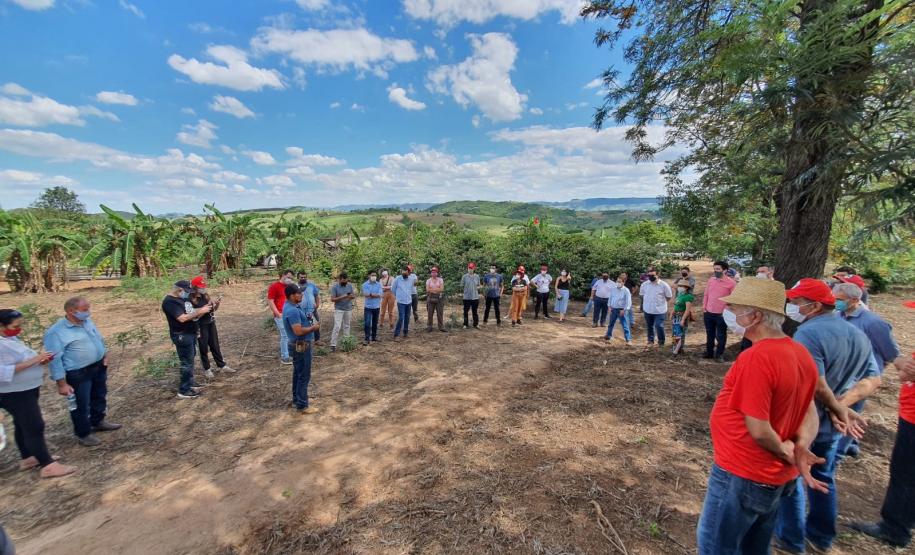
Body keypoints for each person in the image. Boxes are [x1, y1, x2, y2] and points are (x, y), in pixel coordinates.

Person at [697, 278, 823, 555]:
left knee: (716, 545)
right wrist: (802, 445)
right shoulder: (799, 352)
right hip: (774, 476)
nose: (729, 313)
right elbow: (810, 410)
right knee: (755, 545)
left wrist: (786, 450)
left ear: (753, 316)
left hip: (744, 472)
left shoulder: (757, 358)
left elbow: (760, 430)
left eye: (733, 308)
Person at [774, 278, 882, 554]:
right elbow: (873, 379)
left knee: (791, 478)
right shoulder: (856, 334)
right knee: (824, 476)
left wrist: (836, 407)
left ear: (815, 306)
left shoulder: (808, 334)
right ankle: (822, 536)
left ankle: (791, 538)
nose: (793, 306)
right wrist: (843, 406)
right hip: (833, 427)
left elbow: (816, 384)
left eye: (797, 302)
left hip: (805, 423)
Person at [848, 300, 915, 549]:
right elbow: (905, 372)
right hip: (909, 414)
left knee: (906, 473)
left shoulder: (872, 323)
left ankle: (895, 528)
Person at [0, 309, 76, 478]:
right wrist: (35, 360)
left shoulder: (8, 338)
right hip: (15, 393)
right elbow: (2, 372)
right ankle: (48, 465)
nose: (19, 329)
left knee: (21, 424)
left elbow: (19, 360)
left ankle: (28, 457)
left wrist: (40, 361)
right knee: (34, 425)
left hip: (26, 388)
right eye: (15, 326)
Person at [835, 282, 903, 458]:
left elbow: (891, 353)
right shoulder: (837, 316)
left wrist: (873, 372)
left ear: (855, 300)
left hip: (860, 379)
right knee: (839, 412)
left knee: (850, 415)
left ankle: (839, 453)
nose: (836, 302)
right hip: (841, 375)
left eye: (840, 299)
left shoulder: (874, 323)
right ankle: (849, 446)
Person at [45, 297, 121, 447]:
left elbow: (98, 338)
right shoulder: (56, 332)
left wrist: (104, 354)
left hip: (98, 367)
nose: (88, 312)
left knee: (99, 396)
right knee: (81, 404)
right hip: (78, 373)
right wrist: (61, 383)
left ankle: (98, 421)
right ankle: (83, 433)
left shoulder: (87, 322)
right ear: (71, 311)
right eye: (85, 310)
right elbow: (55, 359)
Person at [162, 281, 211, 399]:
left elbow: (190, 313)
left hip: (190, 333)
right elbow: (182, 318)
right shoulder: (170, 302)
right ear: (179, 290)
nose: (188, 294)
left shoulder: (181, 299)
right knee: (186, 363)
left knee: (190, 359)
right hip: (182, 335)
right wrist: (200, 311)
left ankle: (190, 383)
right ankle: (184, 390)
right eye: (186, 291)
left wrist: (201, 311)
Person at [282, 284, 320, 414]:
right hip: (301, 345)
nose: (302, 295)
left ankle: (297, 400)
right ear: (292, 296)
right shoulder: (292, 310)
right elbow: (298, 331)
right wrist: (313, 328)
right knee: (304, 375)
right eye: (299, 293)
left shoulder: (292, 306)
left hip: (298, 345)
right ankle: (302, 406)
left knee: (298, 374)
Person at [189, 276, 233, 379]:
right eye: (201, 287)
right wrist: (204, 308)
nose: (203, 288)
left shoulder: (205, 295)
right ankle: (207, 369)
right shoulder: (190, 300)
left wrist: (216, 304)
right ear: (195, 287)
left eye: (203, 286)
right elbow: (194, 316)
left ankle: (221, 365)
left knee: (215, 345)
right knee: (203, 347)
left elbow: (213, 309)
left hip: (210, 323)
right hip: (200, 325)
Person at [703, 261, 737, 362]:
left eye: (718, 269)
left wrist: (726, 311)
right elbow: (706, 294)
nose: (716, 271)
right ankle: (709, 352)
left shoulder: (731, 283)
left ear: (725, 270)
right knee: (710, 334)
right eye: (714, 269)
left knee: (721, 335)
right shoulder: (711, 280)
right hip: (708, 312)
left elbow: (733, 300)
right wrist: (704, 307)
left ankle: (719, 354)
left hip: (721, 314)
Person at [266, 269, 295, 365]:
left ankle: (291, 353)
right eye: (288, 277)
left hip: (290, 314)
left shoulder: (289, 287)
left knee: (291, 334)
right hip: (280, 315)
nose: (289, 279)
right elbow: (270, 301)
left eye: (291, 278)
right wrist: (277, 313)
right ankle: (285, 357)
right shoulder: (275, 286)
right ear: (283, 275)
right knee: (285, 335)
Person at [639, 268, 672, 347]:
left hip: (660, 310)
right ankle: (650, 341)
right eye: (649, 275)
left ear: (658, 275)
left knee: (659, 325)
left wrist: (660, 303)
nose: (650, 277)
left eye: (652, 275)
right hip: (648, 309)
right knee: (649, 326)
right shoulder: (644, 284)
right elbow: (642, 295)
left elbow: (669, 297)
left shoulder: (664, 285)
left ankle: (661, 341)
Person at [329, 273, 355, 352]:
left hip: (348, 308)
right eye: (343, 280)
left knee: (347, 326)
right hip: (339, 309)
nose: (345, 282)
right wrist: (343, 296)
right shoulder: (335, 287)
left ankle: (346, 343)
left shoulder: (349, 286)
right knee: (337, 326)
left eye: (346, 280)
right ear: (339, 280)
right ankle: (333, 344)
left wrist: (351, 296)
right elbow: (332, 299)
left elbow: (353, 295)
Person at [605, 274, 632, 344]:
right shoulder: (613, 289)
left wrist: (624, 310)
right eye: (617, 281)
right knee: (611, 324)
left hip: (621, 310)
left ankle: (628, 339)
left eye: (619, 282)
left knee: (625, 325)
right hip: (613, 309)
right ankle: (608, 336)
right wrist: (609, 307)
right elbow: (610, 298)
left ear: (623, 282)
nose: (618, 283)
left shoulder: (626, 290)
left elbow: (628, 301)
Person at [670, 279, 695, 355]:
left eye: (681, 286)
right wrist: (672, 313)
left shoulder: (688, 297)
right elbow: (675, 305)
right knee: (675, 333)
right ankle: (674, 347)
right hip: (676, 316)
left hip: (682, 316)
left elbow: (687, 310)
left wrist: (683, 320)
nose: (679, 287)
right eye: (679, 286)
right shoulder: (680, 295)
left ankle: (677, 350)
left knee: (680, 333)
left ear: (686, 287)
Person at [297, 271, 321, 342]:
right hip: (300, 310)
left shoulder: (311, 285)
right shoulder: (295, 286)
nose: (303, 278)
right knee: (302, 324)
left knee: (316, 323)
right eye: (301, 277)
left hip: (312, 309)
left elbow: (316, 295)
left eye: (304, 277)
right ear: (298, 277)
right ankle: (303, 340)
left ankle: (317, 340)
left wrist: (317, 304)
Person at [392, 266, 414, 340]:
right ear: (402, 271)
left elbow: (411, 289)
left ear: (409, 272)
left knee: (407, 317)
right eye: (404, 271)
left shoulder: (411, 279)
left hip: (409, 301)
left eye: (408, 272)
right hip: (401, 302)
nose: (406, 273)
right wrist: (398, 296)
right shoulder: (397, 279)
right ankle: (396, 335)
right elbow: (393, 289)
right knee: (401, 317)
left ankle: (405, 332)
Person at [361, 271, 382, 345]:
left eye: (375, 275)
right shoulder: (365, 285)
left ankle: (374, 337)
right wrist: (375, 295)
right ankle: (367, 338)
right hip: (368, 307)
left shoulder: (379, 284)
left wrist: (371, 294)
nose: (374, 277)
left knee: (375, 323)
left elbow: (380, 294)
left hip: (376, 306)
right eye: (372, 275)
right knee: (367, 323)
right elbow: (366, 294)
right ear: (369, 276)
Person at [425, 267, 447, 332]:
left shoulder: (440, 279)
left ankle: (441, 326)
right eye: (432, 272)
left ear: (437, 273)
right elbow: (427, 290)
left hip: (439, 298)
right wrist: (437, 289)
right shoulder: (428, 280)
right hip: (430, 297)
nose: (433, 273)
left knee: (440, 313)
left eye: (435, 272)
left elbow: (442, 289)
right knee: (430, 313)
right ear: (431, 273)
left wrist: (432, 289)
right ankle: (429, 326)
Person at [461, 263, 481, 329]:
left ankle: (476, 324)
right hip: (466, 297)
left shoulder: (477, 276)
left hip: (475, 297)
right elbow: (462, 285)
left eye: (471, 268)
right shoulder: (464, 276)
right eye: (469, 268)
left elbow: (479, 285)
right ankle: (465, 324)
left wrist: (478, 287)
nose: (470, 269)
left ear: (474, 268)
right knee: (465, 311)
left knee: (475, 311)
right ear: (467, 268)